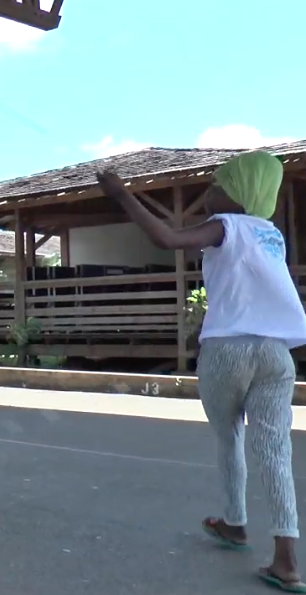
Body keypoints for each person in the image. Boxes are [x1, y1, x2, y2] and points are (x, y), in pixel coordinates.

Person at [96, 151, 306, 592]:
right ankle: (286, 558)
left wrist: (122, 196)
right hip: (276, 354)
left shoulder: (227, 226)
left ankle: (235, 523)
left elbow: (167, 239)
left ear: (241, 194)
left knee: (230, 436)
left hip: (229, 352)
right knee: (275, 452)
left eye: (218, 185)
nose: (208, 191)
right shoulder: (270, 235)